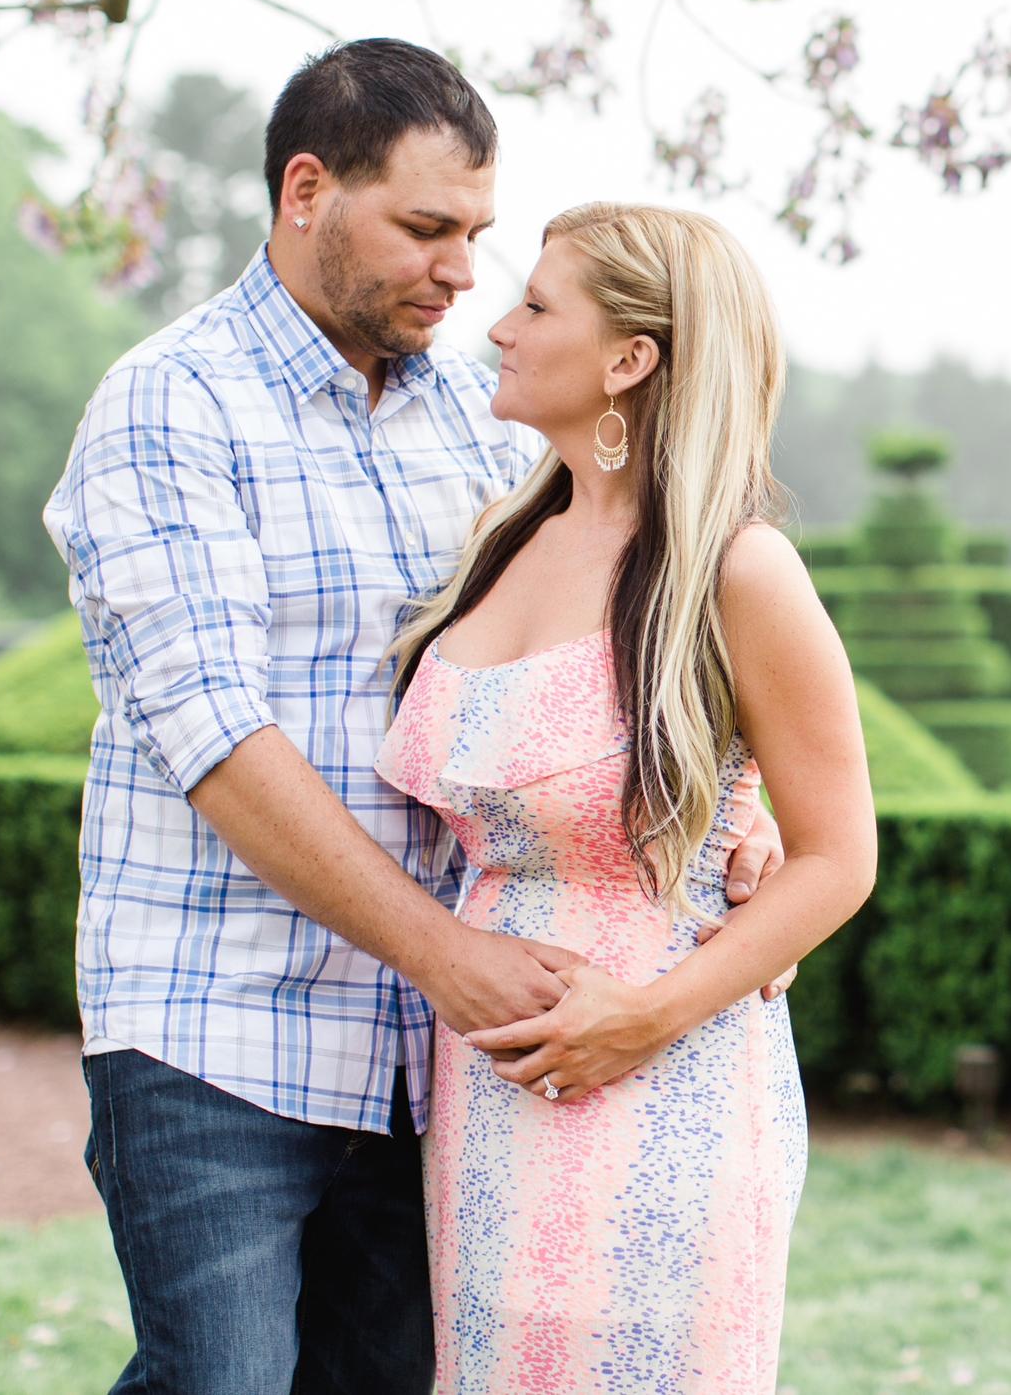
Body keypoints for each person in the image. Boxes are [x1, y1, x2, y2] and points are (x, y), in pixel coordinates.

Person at [44, 40, 791, 1394]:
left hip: (444, 1061)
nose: (463, 271)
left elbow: (624, 656)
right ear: (308, 190)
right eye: (427, 227)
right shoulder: (169, 403)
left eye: (479, 236)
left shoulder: (485, 426)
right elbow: (213, 735)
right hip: (224, 1022)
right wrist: (444, 949)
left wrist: (744, 808)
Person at [377, 201, 875, 1392]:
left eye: (537, 305)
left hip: (671, 1085)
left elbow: (837, 855)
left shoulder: (736, 569)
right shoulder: (501, 536)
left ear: (630, 358)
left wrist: (644, 1014)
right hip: (489, 1099)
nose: (497, 327)